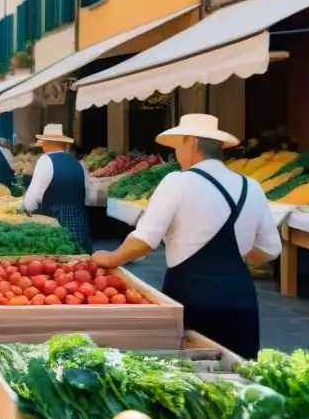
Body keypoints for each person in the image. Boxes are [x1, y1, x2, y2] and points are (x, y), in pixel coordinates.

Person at [91, 115, 281, 359]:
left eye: (178, 147)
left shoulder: (178, 182)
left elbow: (146, 240)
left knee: (192, 378)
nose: (177, 155)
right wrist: (230, 264)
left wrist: (110, 259)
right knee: (238, 379)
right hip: (240, 298)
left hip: (193, 298)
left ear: (192, 143)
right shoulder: (251, 186)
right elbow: (270, 248)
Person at [23, 124, 92, 251]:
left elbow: (34, 196)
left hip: (56, 219)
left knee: (61, 255)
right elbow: (87, 194)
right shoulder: (78, 163)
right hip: (79, 219)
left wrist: (26, 211)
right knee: (80, 256)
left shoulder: (45, 160)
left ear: (47, 143)